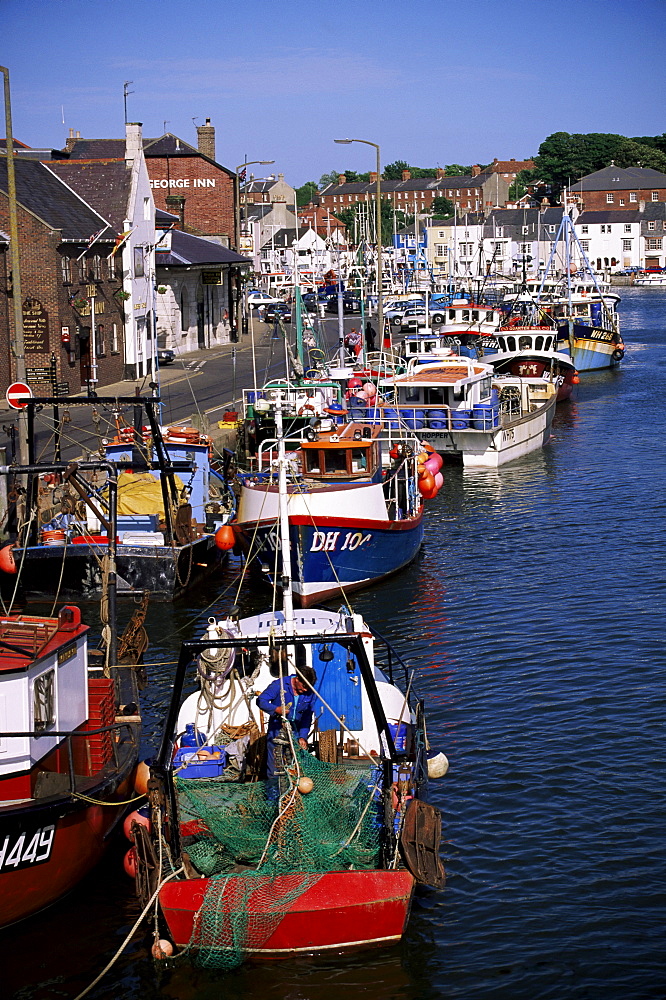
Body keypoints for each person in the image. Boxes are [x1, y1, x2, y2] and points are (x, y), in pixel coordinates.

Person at [256, 665, 317, 777]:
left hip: (295, 730)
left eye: (308, 688)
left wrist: (303, 737)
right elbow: (261, 701)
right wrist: (276, 709)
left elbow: (307, 717)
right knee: (275, 763)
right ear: (297, 679)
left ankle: (294, 790)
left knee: (297, 763)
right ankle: (274, 792)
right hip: (277, 728)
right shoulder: (279, 685)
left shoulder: (309, 692)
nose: (305, 690)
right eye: (303, 686)